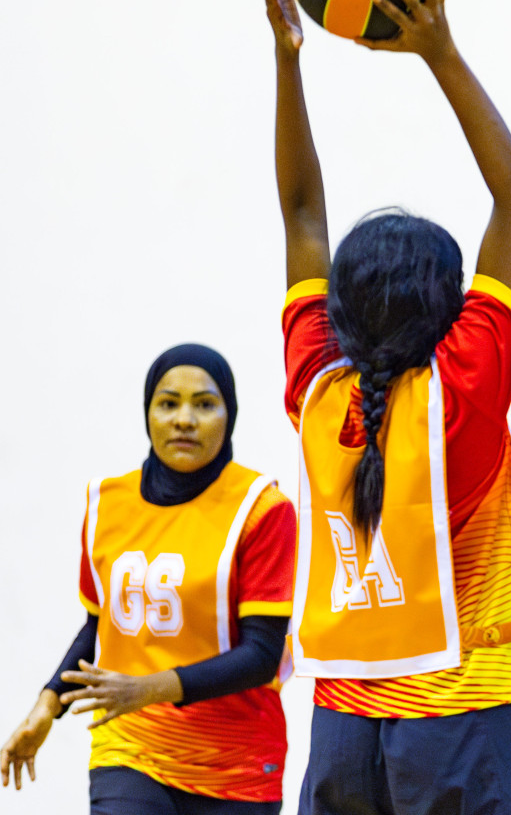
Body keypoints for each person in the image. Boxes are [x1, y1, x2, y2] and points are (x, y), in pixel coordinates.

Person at [255, 0, 511, 815]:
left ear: (336, 314)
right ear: (456, 309)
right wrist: (439, 50)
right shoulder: (466, 384)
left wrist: (287, 61)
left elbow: (300, 211)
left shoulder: (318, 391)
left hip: (344, 726)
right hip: (470, 708)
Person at [0, 345, 295, 813]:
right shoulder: (107, 502)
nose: (184, 419)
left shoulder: (262, 509)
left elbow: (260, 657)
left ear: (230, 415)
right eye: (168, 402)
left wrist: (148, 688)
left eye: (204, 404)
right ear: (148, 412)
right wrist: (47, 705)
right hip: (130, 743)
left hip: (235, 760)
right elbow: (101, 628)